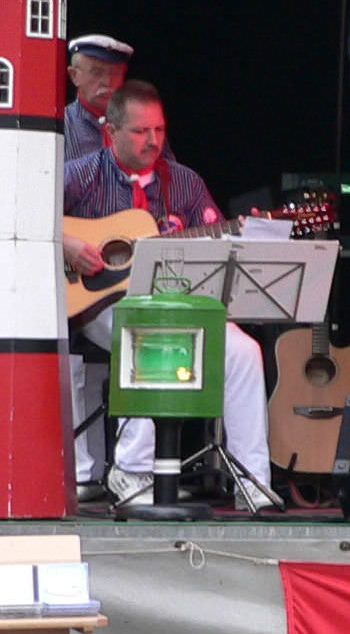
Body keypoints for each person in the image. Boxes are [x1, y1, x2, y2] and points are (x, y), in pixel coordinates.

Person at [60, 82, 278, 512]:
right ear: (111, 132)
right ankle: (132, 469)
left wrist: (245, 232)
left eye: (159, 130)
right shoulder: (81, 175)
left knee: (244, 351)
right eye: (141, 131)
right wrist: (66, 243)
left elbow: (218, 239)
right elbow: (20, 211)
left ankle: (253, 481)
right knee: (152, 329)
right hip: (96, 306)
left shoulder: (184, 182)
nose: (153, 141)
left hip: (176, 304)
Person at [64, 33, 134, 166]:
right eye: (96, 73)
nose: (107, 82)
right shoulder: (60, 126)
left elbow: (167, 173)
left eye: (114, 73)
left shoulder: (141, 123)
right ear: (74, 76)